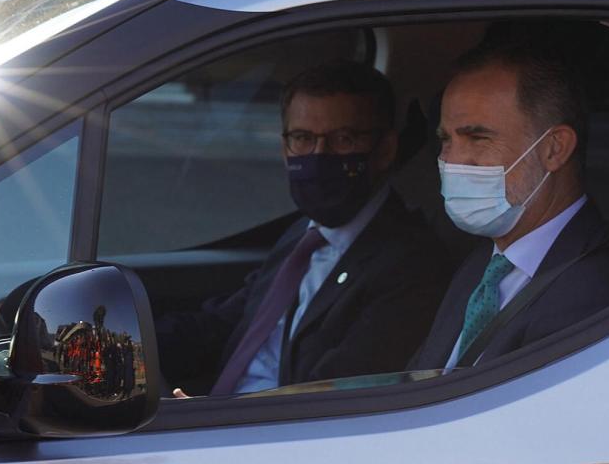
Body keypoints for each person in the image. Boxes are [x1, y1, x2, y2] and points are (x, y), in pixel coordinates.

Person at [157, 60, 453, 396]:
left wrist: (206, 418)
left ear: (385, 150)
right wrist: (127, 346)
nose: (319, 156)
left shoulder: (410, 267)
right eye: (302, 138)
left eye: (343, 139)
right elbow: (228, 322)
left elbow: (328, 398)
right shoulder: (304, 235)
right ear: (285, 149)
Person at [409, 39, 609, 370]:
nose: (451, 159)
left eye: (478, 138)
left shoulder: (596, 289)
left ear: (554, 149)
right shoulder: (481, 266)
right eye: (446, 139)